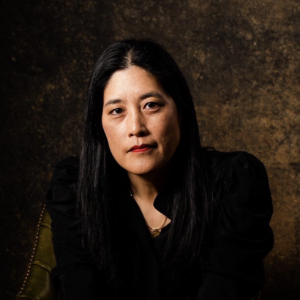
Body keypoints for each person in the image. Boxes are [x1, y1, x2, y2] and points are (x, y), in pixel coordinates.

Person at [46, 39, 274, 300]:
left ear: (180, 111)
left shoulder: (233, 184)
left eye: (151, 105)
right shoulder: (75, 189)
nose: (136, 127)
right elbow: (79, 289)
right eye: (117, 110)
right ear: (99, 125)